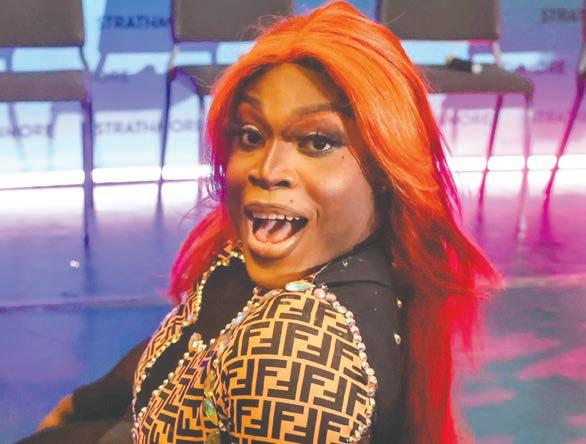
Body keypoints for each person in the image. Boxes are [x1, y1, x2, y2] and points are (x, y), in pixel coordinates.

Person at [22, 2, 499, 443]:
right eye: (251, 135)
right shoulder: (280, 261)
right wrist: (79, 407)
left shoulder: (300, 356)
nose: (268, 170)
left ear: (384, 168)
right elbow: (187, 340)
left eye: (317, 142)